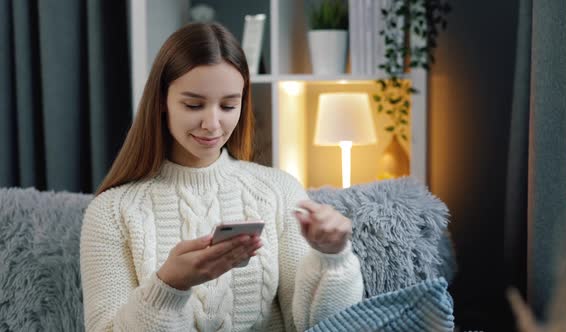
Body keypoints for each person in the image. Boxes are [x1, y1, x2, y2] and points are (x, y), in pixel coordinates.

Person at [80, 22, 363, 332]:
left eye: (229, 105)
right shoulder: (110, 212)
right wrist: (169, 286)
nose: (212, 124)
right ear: (161, 101)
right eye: (193, 105)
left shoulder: (279, 191)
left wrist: (333, 257)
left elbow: (320, 325)